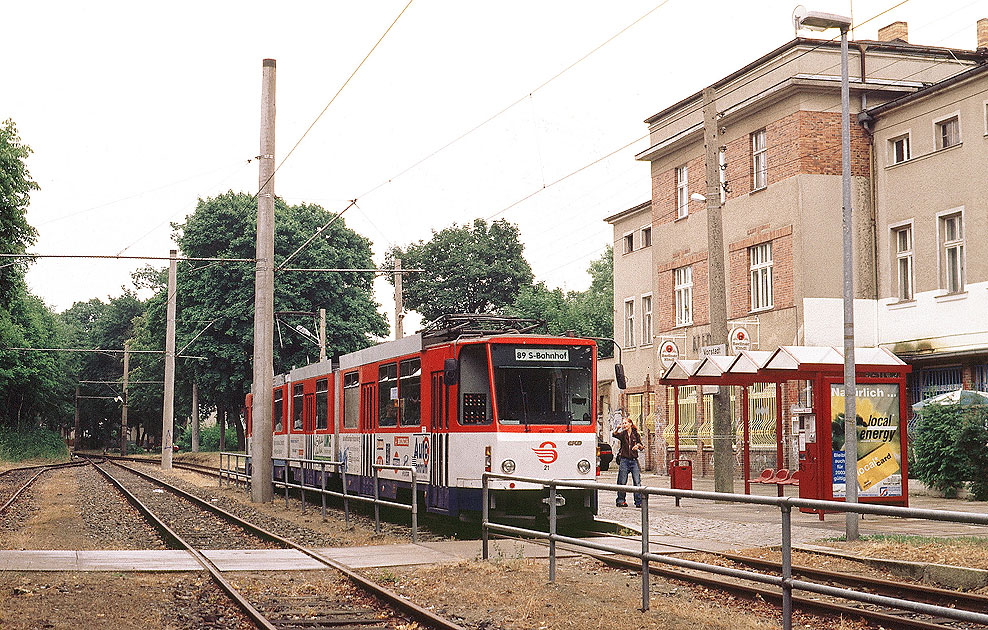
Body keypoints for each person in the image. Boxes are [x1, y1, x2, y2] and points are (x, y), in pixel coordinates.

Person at [612, 416, 644, 507]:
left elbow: (642, 446)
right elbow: (614, 434)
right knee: (622, 481)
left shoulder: (636, 434)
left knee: (637, 481)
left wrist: (638, 446)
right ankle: (621, 500)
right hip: (624, 460)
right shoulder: (623, 434)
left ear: (630, 424)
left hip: (634, 460)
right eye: (623, 423)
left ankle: (638, 502)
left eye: (625, 423)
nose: (624, 425)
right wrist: (617, 428)